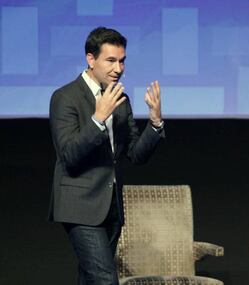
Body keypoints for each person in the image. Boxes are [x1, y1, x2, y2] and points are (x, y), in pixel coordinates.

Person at [48, 26, 165, 284]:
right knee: (104, 278)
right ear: (91, 59)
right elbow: (69, 155)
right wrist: (98, 119)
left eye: (122, 61)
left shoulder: (119, 99)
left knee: (90, 279)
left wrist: (155, 124)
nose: (118, 68)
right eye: (110, 60)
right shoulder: (65, 97)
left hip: (111, 207)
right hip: (79, 206)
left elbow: (136, 154)